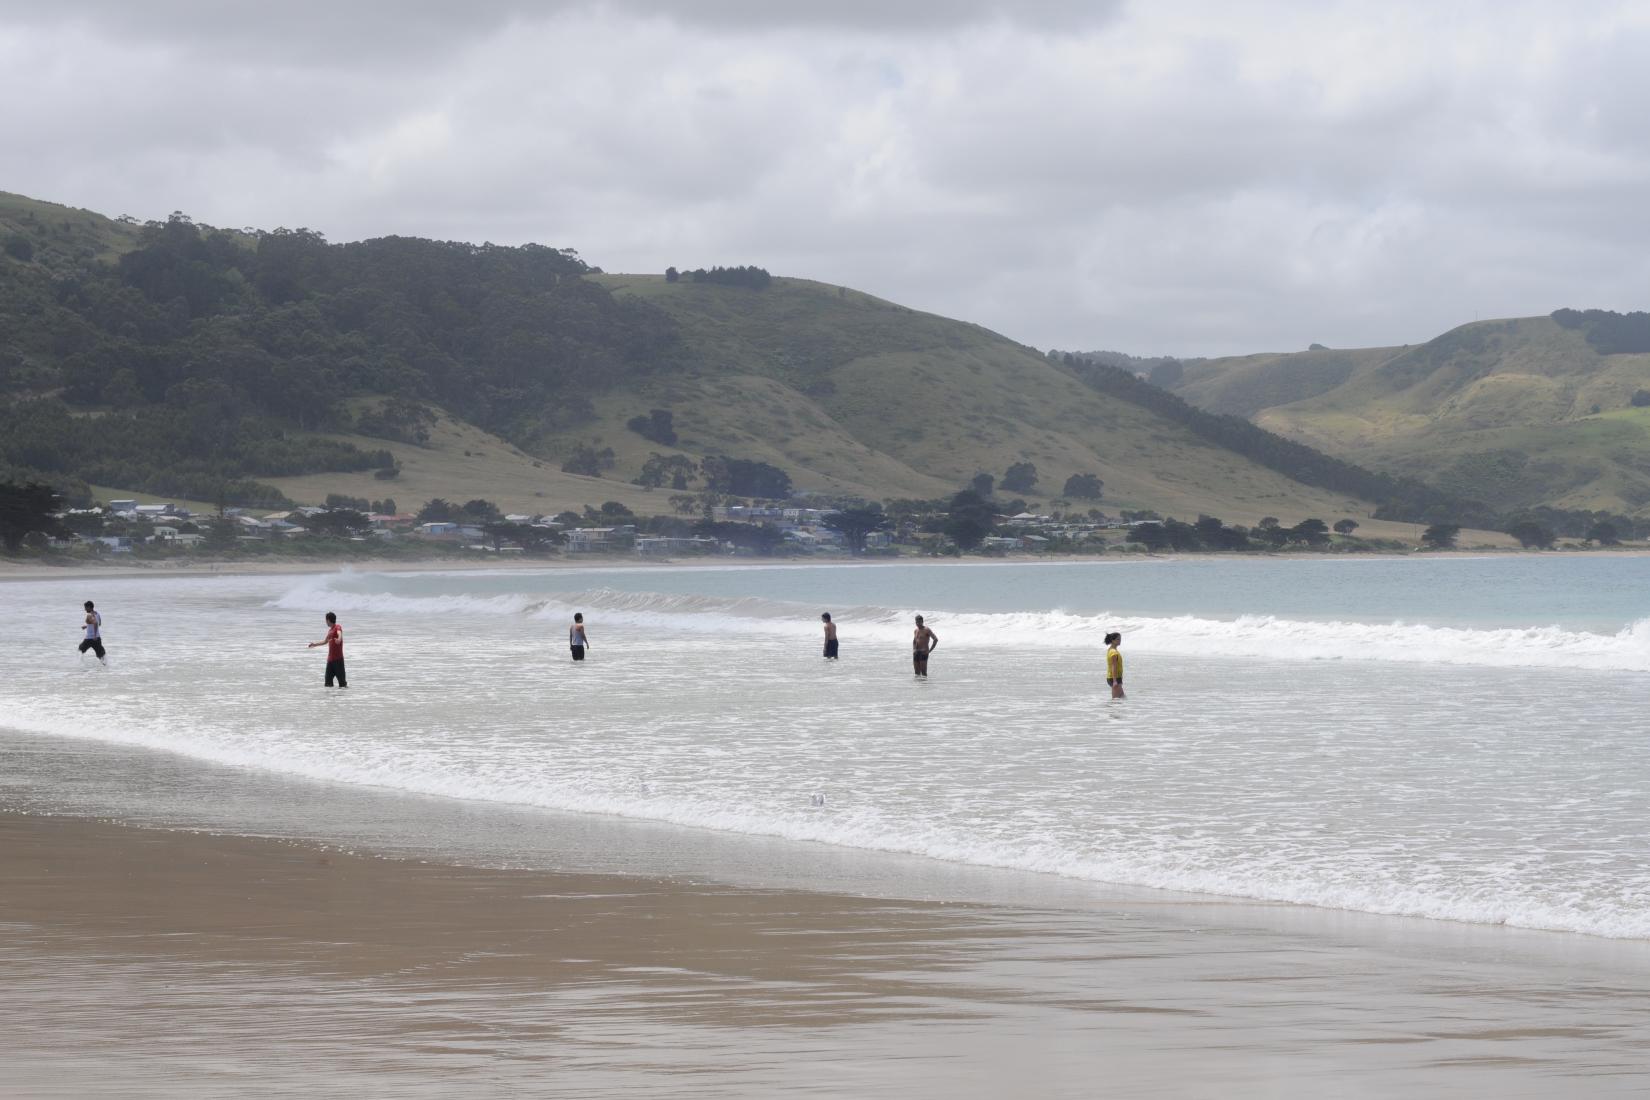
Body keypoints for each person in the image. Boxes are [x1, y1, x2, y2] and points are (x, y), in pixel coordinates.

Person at [308, 611, 347, 688]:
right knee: (328, 683)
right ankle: (329, 699)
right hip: (330, 661)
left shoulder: (337, 627)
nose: (325, 622)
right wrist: (314, 644)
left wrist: (339, 639)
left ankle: (343, 698)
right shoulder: (330, 631)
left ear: (328, 620)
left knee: (342, 684)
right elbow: (325, 641)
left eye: (326, 620)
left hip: (338, 660)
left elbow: (339, 633)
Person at [1105, 631, 1125, 699]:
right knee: (1117, 700)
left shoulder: (1111, 650)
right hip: (1114, 678)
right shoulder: (1113, 652)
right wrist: (1115, 681)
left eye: (1120, 639)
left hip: (1114, 677)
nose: (1120, 641)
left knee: (1121, 698)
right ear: (1113, 640)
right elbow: (1114, 666)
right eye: (1118, 639)